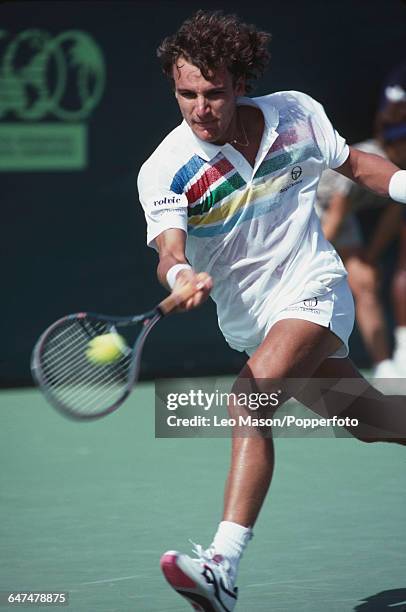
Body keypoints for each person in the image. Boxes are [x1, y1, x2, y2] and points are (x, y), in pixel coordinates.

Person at [138, 11, 406, 611]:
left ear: (240, 83)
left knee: (246, 397)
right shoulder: (164, 168)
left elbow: (357, 166)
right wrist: (180, 275)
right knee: (373, 422)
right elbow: (168, 248)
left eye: (213, 92)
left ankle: (221, 567)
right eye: (186, 93)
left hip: (312, 288)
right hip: (252, 320)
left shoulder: (296, 114)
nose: (200, 107)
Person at [316, 62, 406, 378]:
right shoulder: (366, 159)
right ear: (394, 143)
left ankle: (384, 366)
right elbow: (334, 215)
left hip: (342, 219)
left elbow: (392, 219)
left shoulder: (400, 172)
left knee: (365, 283)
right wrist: (309, 261)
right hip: (311, 214)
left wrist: (367, 257)